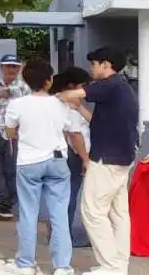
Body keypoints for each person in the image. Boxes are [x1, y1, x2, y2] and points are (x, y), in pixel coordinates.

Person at [56, 47, 139, 275]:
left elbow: (75, 93)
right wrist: (80, 109)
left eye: (94, 64)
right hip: (121, 158)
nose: (91, 69)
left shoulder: (110, 84)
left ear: (106, 64)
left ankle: (110, 266)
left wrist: (54, 97)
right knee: (117, 213)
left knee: (91, 210)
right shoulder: (122, 89)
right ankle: (119, 265)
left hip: (107, 159)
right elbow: (98, 121)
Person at [4, 59, 81, 275]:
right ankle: (62, 266)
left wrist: (24, 133)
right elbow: (73, 131)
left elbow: (10, 133)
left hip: (28, 163)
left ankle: (26, 263)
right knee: (59, 215)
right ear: (49, 81)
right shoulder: (61, 104)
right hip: (57, 162)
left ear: (26, 81)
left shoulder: (17, 104)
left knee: (28, 213)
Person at [0, 53, 30, 220]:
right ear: (2, 67)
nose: (12, 69)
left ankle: (7, 204)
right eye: (8, 66)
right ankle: (1, 204)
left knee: (11, 170)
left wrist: (9, 92)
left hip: (14, 136)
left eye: (15, 66)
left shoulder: (24, 87)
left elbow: (25, 103)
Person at [49, 67, 92, 249]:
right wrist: (85, 159)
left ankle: (57, 236)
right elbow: (75, 135)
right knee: (68, 197)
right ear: (72, 86)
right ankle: (63, 239)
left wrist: (80, 106)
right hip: (71, 156)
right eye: (82, 86)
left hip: (57, 155)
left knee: (59, 197)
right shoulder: (66, 107)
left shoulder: (59, 102)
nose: (84, 90)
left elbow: (93, 120)